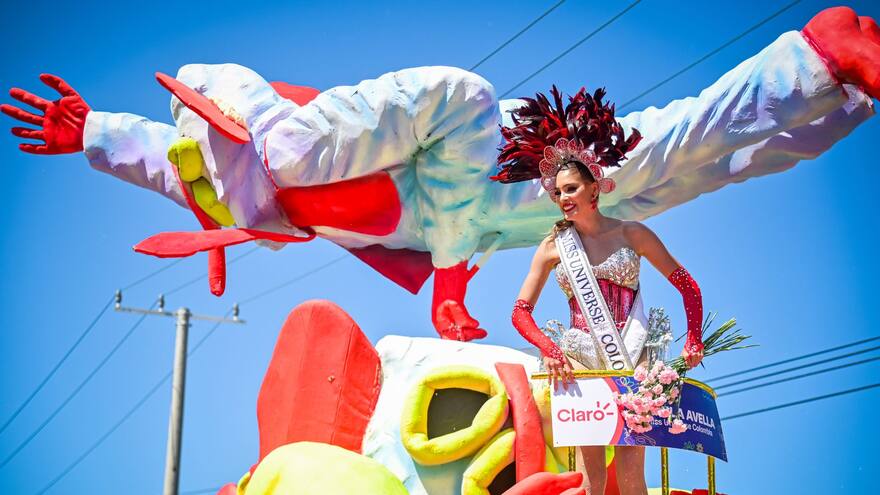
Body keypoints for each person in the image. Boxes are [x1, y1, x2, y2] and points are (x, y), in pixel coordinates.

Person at [1, 7, 877, 344]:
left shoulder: (298, 148)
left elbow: (458, 122)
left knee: (670, 146)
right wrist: (96, 137)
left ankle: (821, 52)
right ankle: (833, 82)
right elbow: (176, 170)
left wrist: (450, 281)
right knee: (696, 170)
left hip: (514, 169)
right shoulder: (247, 193)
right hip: (523, 211)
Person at [498, 87, 703, 495]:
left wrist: (694, 340)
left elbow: (687, 285)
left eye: (571, 189)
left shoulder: (633, 234)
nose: (563, 199)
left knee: (631, 476)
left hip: (633, 355)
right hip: (580, 364)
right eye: (558, 193)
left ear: (595, 189)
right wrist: (550, 350)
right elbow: (520, 311)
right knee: (592, 478)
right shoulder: (554, 245)